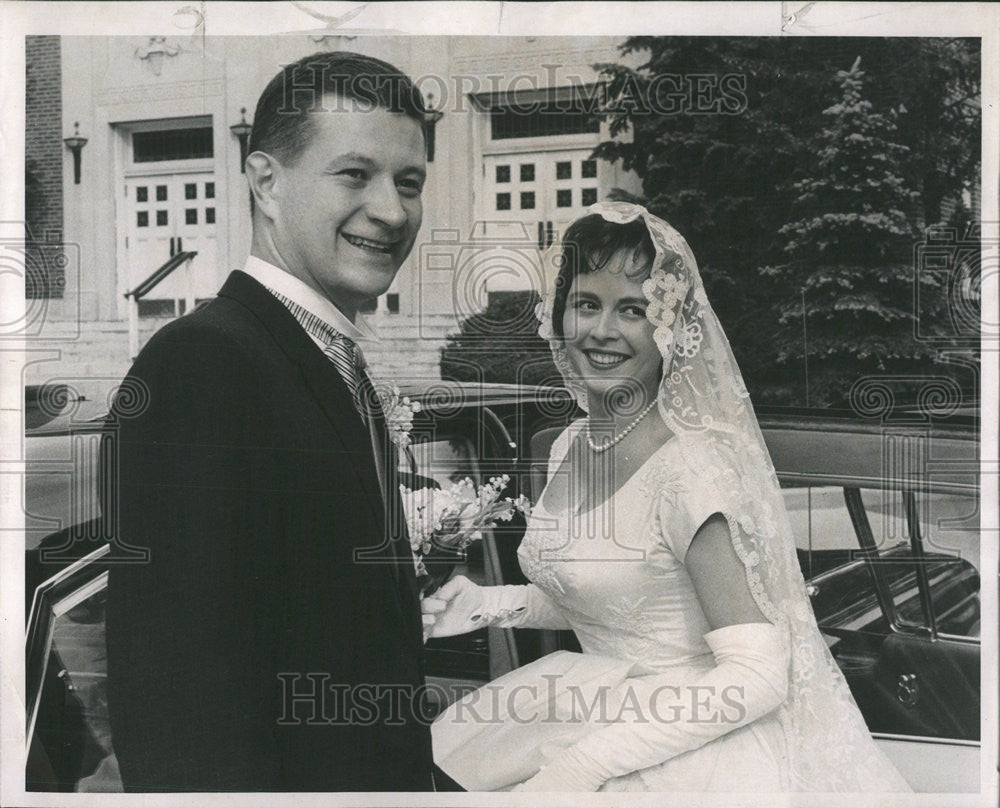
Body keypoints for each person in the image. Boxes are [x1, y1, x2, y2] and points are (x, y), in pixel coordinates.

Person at [423, 202, 912, 793]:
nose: (603, 330)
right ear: (558, 316)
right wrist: (487, 604)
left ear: (671, 328)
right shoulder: (568, 445)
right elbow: (613, 598)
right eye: (586, 304)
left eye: (633, 309)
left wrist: (586, 764)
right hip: (585, 705)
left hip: (689, 752)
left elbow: (758, 675)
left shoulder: (692, 469)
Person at [102, 51, 435, 791]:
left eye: (409, 182)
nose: (391, 210)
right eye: (355, 173)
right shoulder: (200, 367)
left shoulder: (321, 357)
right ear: (265, 182)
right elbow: (180, 715)